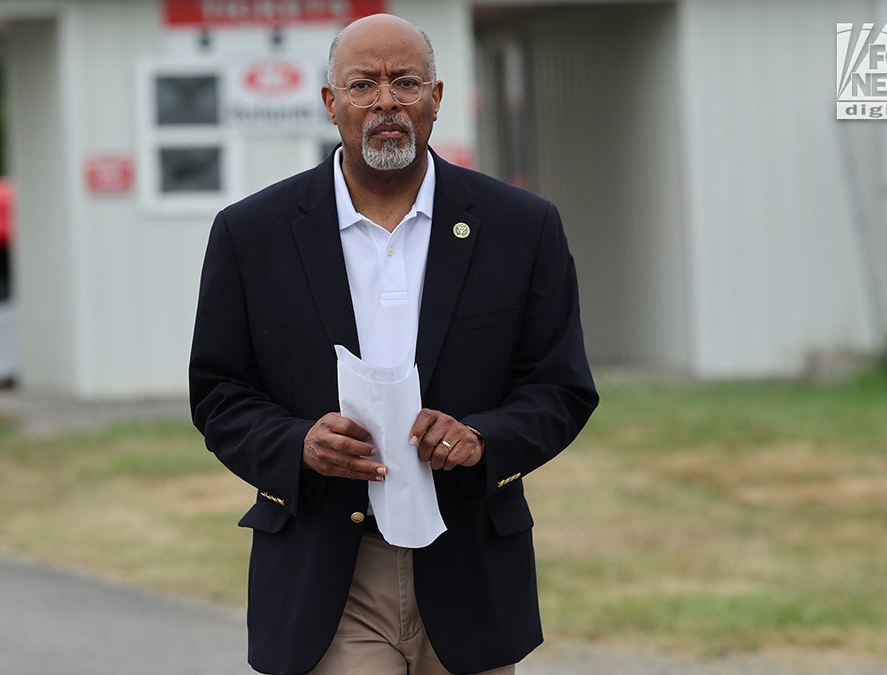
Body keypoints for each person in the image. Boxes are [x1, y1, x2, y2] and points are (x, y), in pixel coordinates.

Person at [189, 13, 597, 675]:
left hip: (469, 565)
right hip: (329, 570)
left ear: (436, 99)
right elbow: (219, 394)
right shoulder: (251, 234)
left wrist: (483, 438)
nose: (385, 101)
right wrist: (298, 444)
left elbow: (561, 386)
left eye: (405, 82)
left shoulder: (522, 227)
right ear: (330, 103)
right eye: (363, 84)